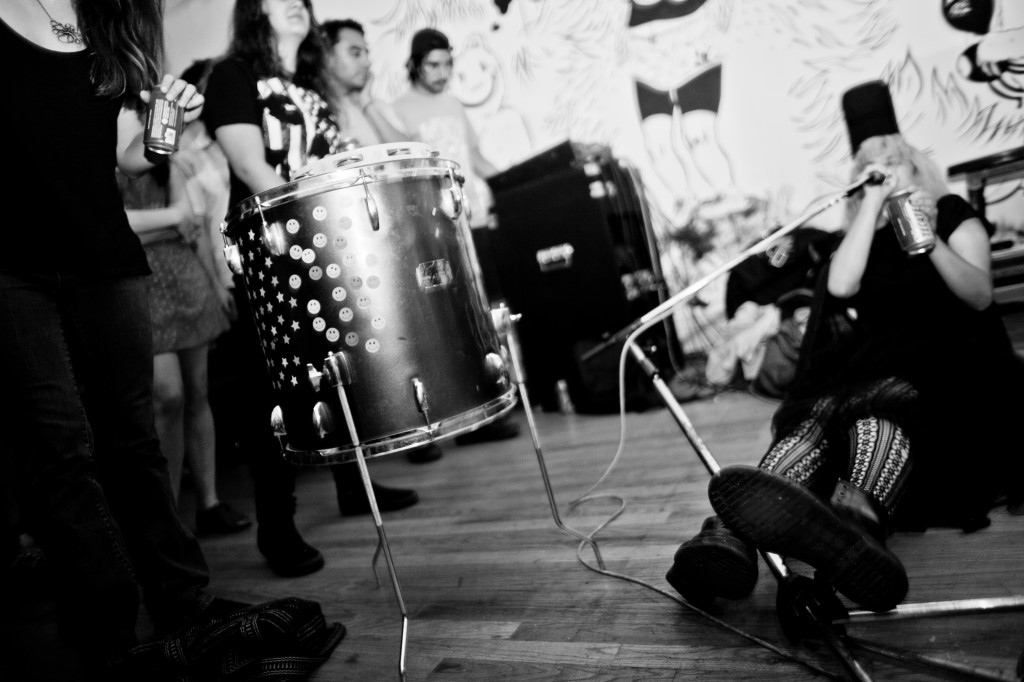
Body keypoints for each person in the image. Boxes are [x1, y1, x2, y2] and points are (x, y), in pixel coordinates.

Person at [666, 80, 1024, 613]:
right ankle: (760, 537)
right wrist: (872, 204)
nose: (883, 172)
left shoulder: (951, 211)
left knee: (866, 406)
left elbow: (979, 295)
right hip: (877, 363)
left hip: (949, 360)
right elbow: (839, 285)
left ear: (914, 166)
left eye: (892, 162)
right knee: (833, 419)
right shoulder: (861, 234)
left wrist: (926, 236)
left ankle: (782, 530)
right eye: (870, 169)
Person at [0, 0, 242, 676]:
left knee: (133, 440)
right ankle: (107, 633)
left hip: (103, 255)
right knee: (60, 449)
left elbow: (131, 158)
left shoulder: (110, 17)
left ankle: (183, 603)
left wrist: (169, 118)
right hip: (13, 266)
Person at [201, 0, 418, 578]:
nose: (297, 5)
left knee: (337, 365)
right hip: (270, 248)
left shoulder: (308, 86)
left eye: (302, 1)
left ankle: (355, 485)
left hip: (323, 244)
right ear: (255, 10)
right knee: (273, 388)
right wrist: (303, 232)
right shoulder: (233, 75)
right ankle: (276, 526)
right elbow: (250, 167)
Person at [116, 116, 251, 537]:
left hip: (186, 276)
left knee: (197, 392)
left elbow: (191, 223)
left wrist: (214, 282)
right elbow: (116, 228)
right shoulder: (101, 159)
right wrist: (168, 221)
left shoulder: (167, 160)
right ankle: (169, 517)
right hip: (140, 283)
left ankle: (209, 503)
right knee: (167, 397)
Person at [390, 26, 521, 451]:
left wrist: (515, 184)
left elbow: (474, 156)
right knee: (450, 321)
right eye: (434, 65)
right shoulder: (396, 111)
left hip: (470, 219)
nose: (443, 73)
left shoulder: (453, 104)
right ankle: (459, 414)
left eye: (448, 64)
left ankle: (491, 404)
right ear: (415, 65)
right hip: (434, 231)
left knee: (483, 313)